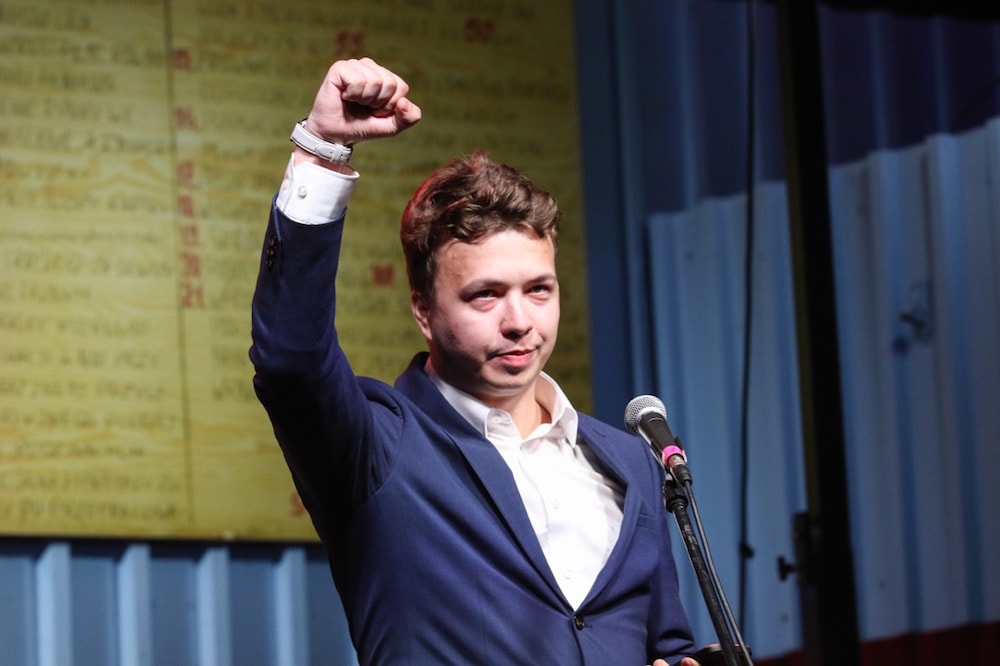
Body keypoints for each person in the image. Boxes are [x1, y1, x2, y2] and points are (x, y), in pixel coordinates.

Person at [250, 57, 705, 665]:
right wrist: (324, 148)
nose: (520, 320)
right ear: (423, 310)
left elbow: (663, 642)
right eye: (485, 295)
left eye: (538, 289)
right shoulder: (377, 447)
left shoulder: (629, 460)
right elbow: (289, 359)